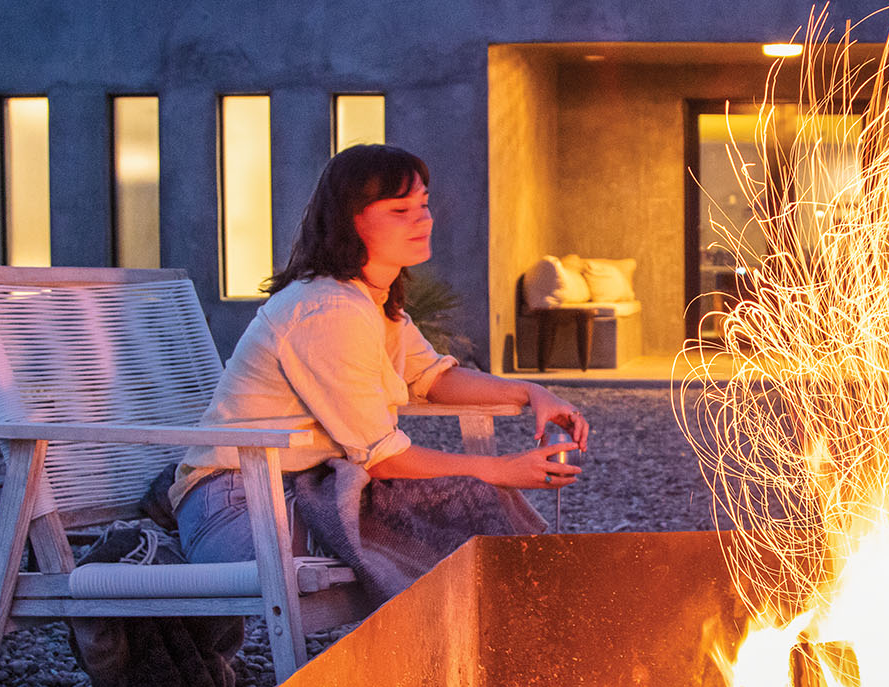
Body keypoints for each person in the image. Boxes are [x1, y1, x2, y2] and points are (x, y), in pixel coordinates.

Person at [172, 144, 588, 591]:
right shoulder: (328, 311)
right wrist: (501, 468)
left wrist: (530, 393)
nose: (423, 219)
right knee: (466, 509)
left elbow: (433, 378)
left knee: (467, 510)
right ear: (351, 220)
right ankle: (472, 642)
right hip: (240, 508)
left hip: (298, 490)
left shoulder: (370, 301)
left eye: (423, 204)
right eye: (399, 209)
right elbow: (383, 458)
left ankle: (492, 635)